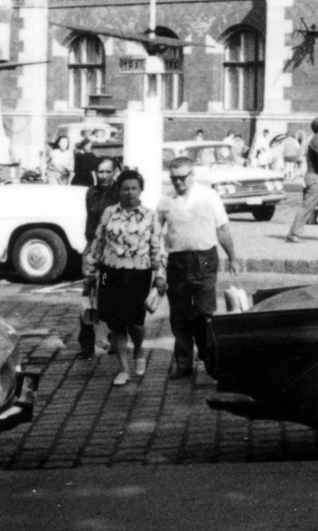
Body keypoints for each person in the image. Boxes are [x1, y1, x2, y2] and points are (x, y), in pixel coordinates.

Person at [84, 168, 167, 387]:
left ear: (140, 190)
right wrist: (91, 270)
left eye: (134, 188)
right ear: (119, 190)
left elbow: (157, 248)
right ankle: (124, 369)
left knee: (135, 323)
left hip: (138, 273)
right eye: (125, 189)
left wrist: (159, 274)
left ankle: (138, 348)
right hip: (109, 274)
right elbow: (98, 243)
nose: (130, 193)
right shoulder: (109, 212)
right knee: (116, 323)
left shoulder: (150, 215)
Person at [159, 155, 238, 380]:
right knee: (180, 316)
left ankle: (209, 355)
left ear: (192, 176)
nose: (178, 182)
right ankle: (183, 363)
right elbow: (156, 236)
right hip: (176, 262)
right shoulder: (165, 201)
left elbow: (222, 229)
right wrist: (157, 268)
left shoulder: (209, 196)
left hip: (204, 259)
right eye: (174, 178)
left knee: (203, 312)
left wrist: (233, 257)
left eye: (183, 177)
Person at [76, 155, 120, 358]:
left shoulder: (120, 193)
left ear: (114, 172)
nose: (103, 176)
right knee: (87, 296)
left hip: (112, 250)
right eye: (100, 172)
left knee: (111, 295)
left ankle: (115, 339)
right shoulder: (90, 193)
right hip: (92, 249)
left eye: (107, 171)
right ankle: (86, 344)